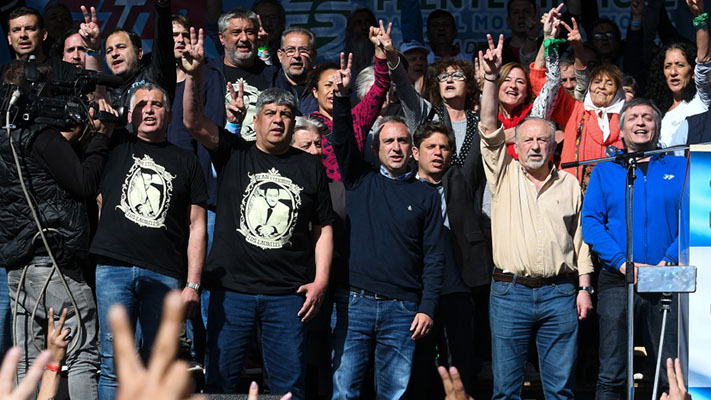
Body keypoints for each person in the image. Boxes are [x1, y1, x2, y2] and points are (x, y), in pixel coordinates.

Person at [182, 28, 334, 399]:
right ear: (257, 118)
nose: (278, 120)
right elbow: (192, 122)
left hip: (288, 295)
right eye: (270, 114)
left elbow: (324, 228)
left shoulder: (310, 166)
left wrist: (321, 281)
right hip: (232, 292)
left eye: (285, 114)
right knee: (220, 385)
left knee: (289, 388)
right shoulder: (235, 151)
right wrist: (193, 75)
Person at [478, 33, 593, 400]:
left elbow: (580, 240)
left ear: (554, 143)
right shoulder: (503, 174)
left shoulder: (569, 184)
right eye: (526, 140)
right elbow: (487, 129)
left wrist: (585, 288)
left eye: (542, 140)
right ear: (516, 144)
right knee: (506, 390)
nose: (534, 146)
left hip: (561, 292)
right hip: (510, 292)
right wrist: (493, 80)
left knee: (560, 390)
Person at [329, 52, 445, 399]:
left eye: (402, 141)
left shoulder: (426, 194)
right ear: (375, 148)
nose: (395, 147)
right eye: (388, 141)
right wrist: (340, 98)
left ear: (413, 149)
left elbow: (435, 257)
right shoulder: (358, 179)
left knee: (393, 394)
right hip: (354, 304)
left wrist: (426, 307)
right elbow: (342, 141)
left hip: (403, 309)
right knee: (345, 392)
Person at [0, 60, 117, 400]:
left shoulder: (10, 138)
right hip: (52, 265)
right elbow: (82, 182)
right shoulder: (42, 137)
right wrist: (100, 138)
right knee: (81, 353)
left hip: (18, 267)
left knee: (28, 360)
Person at [90, 81, 207, 400]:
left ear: (169, 115)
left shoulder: (187, 161)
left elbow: (197, 227)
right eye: (142, 104)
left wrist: (193, 285)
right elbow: (98, 98)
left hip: (164, 273)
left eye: (157, 104)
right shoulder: (116, 145)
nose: (149, 109)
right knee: (114, 363)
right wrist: (90, 50)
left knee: (160, 364)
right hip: (112, 268)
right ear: (129, 114)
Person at [582, 98, 685, 400]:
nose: (640, 123)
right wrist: (622, 262)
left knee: (669, 370)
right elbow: (591, 223)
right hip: (618, 278)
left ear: (657, 126)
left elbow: (690, 217)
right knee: (612, 371)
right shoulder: (606, 171)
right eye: (633, 118)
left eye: (647, 118)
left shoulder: (679, 166)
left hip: (665, 276)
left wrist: (668, 259)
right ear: (622, 128)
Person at [406, 121, 489, 398]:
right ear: (416, 153)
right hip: (417, 291)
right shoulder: (403, 188)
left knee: (461, 363)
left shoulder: (460, 179)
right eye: (431, 147)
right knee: (420, 366)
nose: (438, 152)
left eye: (444, 147)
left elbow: (483, 140)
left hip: (459, 286)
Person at [529, 15, 625, 185]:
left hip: (615, 194)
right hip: (572, 195)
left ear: (618, 91)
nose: (601, 87)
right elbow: (541, 84)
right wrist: (547, 39)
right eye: (597, 82)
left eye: (609, 83)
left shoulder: (628, 119)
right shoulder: (576, 110)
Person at [309, 21, 392, 181]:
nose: (335, 88)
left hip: (356, 193)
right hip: (322, 195)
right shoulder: (306, 125)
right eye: (328, 85)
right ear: (315, 92)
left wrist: (379, 52)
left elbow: (381, 86)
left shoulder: (357, 118)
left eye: (340, 83)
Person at [210, 8, 277, 139]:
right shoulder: (207, 75)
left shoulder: (273, 75)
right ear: (222, 38)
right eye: (236, 32)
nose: (244, 38)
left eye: (250, 32)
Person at [656, 0, 711, 148]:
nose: (673, 72)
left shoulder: (701, 98)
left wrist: (699, 18)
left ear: (692, 72)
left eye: (680, 65)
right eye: (668, 66)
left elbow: (704, 61)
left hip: (699, 168)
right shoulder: (657, 112)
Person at [104, 0, 176, 112]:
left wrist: (162, 6)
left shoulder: (154, 76)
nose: (114, 54)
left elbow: (163, 42)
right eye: (109, 50)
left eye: (121, 47)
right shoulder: (104, 92)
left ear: (139, 53)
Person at [272, 27, 319, 115]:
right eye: (290, 50)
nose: (296, 55)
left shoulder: (322, 87)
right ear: (280, 55)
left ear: (313, 55)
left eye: (303, 50)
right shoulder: (270, 82)